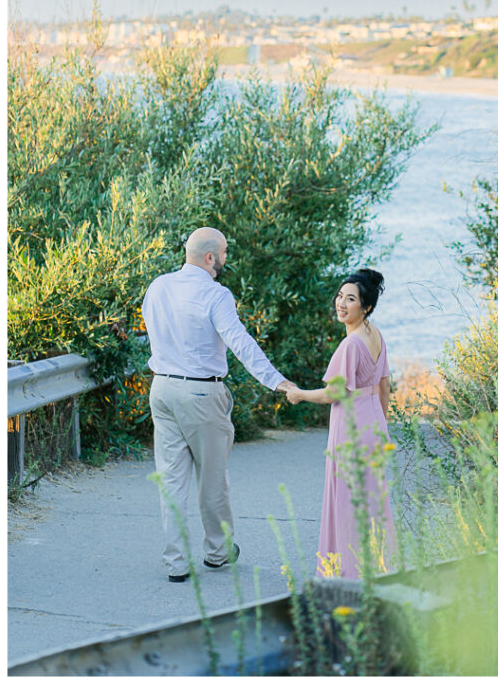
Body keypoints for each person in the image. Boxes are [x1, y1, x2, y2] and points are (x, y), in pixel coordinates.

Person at [142, 226, 296, 582]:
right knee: (212, 481)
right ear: (210, 257)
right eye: (224, 253)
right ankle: (217, 552)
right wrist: (276, 379)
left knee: (171, 481)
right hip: (201, 394)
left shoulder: (158, 286)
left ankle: (176, 563)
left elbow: (154, 330)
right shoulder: (216, 294)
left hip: (162, 389)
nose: (226, 259)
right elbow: (239, 342)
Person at [286, 268, 395, 578]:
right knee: (370, 499)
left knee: (346, 500)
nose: (341, 304)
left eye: (351, 299)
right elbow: (384, 386)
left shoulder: (351, 345)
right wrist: (381, 429)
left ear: (367, 307)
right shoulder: (375, 335)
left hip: (351, 426)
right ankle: (375, 566)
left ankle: (347, 573)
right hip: (372, 423)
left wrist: (299, 394)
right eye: (340, 296)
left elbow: (335, 392)